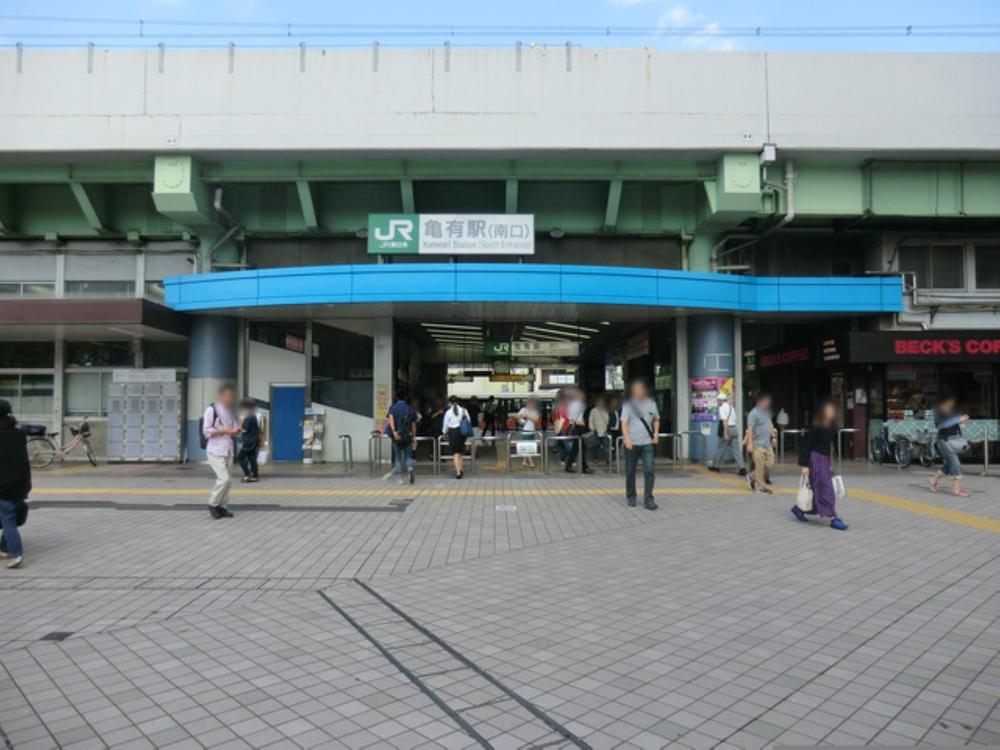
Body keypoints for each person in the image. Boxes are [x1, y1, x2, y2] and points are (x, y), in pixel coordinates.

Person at [793, 398, 848, 530]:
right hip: (816, 459)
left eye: (833, 410)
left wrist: (830, 464)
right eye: (829, 410)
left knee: (815, 487)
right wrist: (805, 465)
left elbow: (828, 447)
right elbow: (807, 446)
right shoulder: (816, 427)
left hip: (824, 459)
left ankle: (799, 509)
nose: (831, 412)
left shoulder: (831, 427)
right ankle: (833, 517)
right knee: (826, 488)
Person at [202, 383, 240, 519]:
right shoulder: (211, 410)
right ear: (222, 395)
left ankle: (222, 506)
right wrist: (224, 430)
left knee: (228, 482)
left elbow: (233, 428)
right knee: (224, 479)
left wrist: (237, 430)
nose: (231, 398)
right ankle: (213, 504)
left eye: (232, 396)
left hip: (228, 449)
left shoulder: (230, 411)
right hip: (215, 450)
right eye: (229, 395)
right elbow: (206, 430)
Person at [0, 400, 30, 569]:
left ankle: (16, 554)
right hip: (21, 483)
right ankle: (4, 548)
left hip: (3, 485)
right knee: (8, 515)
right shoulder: (20, 434)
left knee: (8, 519)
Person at [620, 379, 660, 509]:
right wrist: (627, 438)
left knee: (649, 470)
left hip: (647, 442)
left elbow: (656, 419)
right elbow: (624, 422)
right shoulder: (628, 405)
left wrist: (656, 434)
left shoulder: (651, 404)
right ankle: (631, 497)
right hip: (632, 443)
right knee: (630, 472)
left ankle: (648, 499)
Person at [930, 393, 971, 497]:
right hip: (944, 440)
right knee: (955, 463)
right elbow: (941, 425)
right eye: (949, 400)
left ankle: (934, 479)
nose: (951, 403)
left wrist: (962, 421)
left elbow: (955, 424)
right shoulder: (938, 412)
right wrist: (957, 420)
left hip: (954, 440)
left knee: (949, 464)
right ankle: (956, 489)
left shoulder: (952, 411)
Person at [744, 392, 776, 494]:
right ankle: (760, 488)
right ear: (759, 401)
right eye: (766, 401)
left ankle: (752, 476)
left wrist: (773, 437)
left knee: (770, 463)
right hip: (757, 445)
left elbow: (770, 423)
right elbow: (750, 429)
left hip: (767, 444)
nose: (768, 403)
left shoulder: (767, 412)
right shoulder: (753, 413)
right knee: (759, 466)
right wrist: (749, 444)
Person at [709, 393, 746, 476]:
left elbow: (724, 421)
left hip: (727, 429)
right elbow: (735, 419)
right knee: (736, 451)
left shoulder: (722, 408)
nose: (718, 402)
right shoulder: (731, 407)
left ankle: (716, 466)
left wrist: (725, 432)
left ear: (721, 400)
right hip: (734, 429)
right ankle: (742, 468)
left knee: (720, 448)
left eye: (718, 400)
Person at [387, 389, 418, 485]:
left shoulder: (392, 408)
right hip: (407, 436)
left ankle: (400, 478)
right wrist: (414, 436)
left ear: (396, 397)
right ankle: (410, 468)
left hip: (397, 436)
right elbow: (413, 424)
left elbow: (391, 420)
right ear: (405, 398)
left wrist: (394, 432)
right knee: (408, 457)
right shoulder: (410, 409)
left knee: (397, 457)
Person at [563, 387, 593, 474]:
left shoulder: (576, 404)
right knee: (582, 448)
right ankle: (583, 468)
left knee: (576, 448)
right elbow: (573, 417)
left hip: (579, 427)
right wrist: (581, 423)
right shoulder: (576, 404)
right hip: (578, 428)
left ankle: (570, 466)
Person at [442, 395, 471, 479]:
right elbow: (469, 421)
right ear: (458, 402)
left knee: (455, 453)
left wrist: (444, 432)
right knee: (460, 452)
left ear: (450, 402)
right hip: (462, 432)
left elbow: (446, 424)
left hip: (453, 432)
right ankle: (460, 469)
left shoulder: (448, 412)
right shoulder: (464, 410)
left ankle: (458, 472)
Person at [236, 399, 261, 483]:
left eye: (244, 409)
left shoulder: (249, 418)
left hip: (248, 442)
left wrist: (238, 429)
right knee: (252, 458)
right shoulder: (253, 417)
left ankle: (247, 474)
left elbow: (244, 430)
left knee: (240, 457)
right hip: (253, 441)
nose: (243, 411)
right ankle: (255, 476)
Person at [515, 397, 541, 468]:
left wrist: (528, 416)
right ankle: (531, 462)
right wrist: (521, 416)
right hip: (525, 431)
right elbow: (516, 416)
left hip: (532, 431)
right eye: (529, 404)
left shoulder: (535, 411)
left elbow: (536, 420)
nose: (531, 405)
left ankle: (524, 461)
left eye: (532, 404)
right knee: (528, 446)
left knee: (530, 445)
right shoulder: (523, 410)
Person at [588, 395, 610, 463]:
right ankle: (596, 458)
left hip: (604, 430)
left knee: (606, 445)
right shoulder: (593, 411)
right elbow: (590, 420)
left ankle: (607, 458)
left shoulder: (605, 409)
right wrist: (592, 428)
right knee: (596, 445)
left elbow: (607, 419)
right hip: (596, 430)